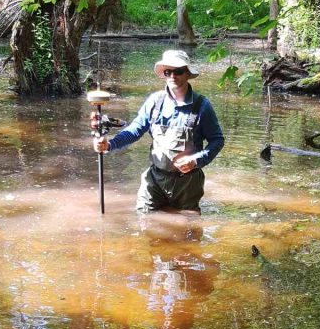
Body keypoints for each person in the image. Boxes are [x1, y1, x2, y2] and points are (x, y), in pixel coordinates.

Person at [92, 49, 224, 213]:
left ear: (188, 73)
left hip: (188, 184)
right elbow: (135, 130)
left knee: (189, 228)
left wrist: (197, 160)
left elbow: (217, 141)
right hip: (155, 179)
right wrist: (109, 144)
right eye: (168, 72)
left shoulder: (203, 106)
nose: (173, 76)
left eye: (178, 71)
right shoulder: (155, 102)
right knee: (144, 220)